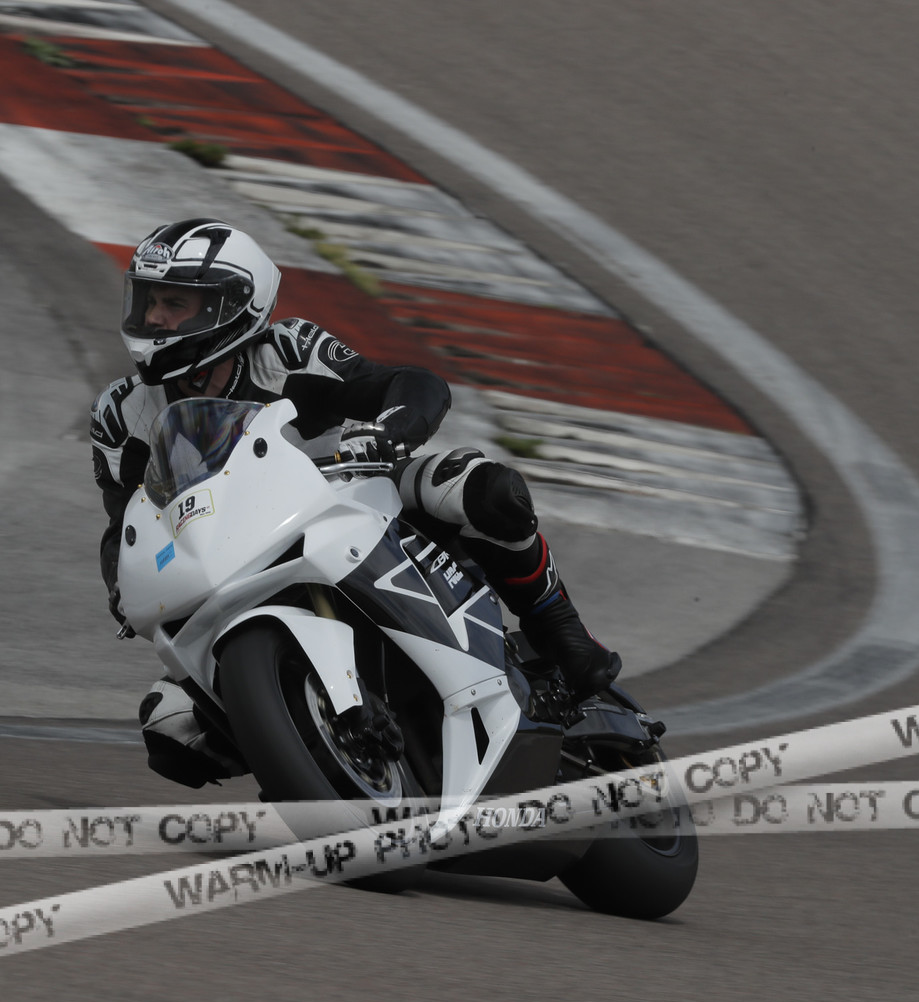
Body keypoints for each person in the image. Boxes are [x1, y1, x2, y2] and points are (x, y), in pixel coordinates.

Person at [91, 218, 620, 788]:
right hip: (225, 559)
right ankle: (306, 751)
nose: (155, 319)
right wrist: (122, 584)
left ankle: (559, 627)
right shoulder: (121, 415)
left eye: (175, 303)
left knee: (482, 487)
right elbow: (126, 524)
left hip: (351, 495)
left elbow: (409, 384)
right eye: (149, 301)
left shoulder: (288, 349)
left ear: (233, 305)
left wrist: (390, 431)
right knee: (169, 727)